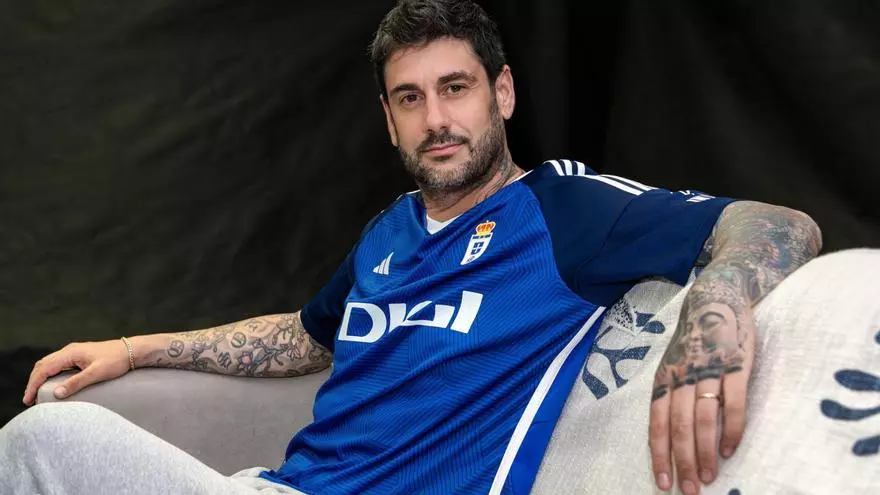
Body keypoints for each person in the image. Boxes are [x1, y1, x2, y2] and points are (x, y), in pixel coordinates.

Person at [2, 1, 822, 494]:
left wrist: (716, 311)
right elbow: (306, 336)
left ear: (501, 94)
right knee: (56, 428)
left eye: (455, 89)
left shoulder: (562, 209)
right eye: (410, 98)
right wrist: (131, 348)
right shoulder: (389, 232)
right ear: (389, 120)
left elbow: (779, 224)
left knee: (38, 443)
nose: (436, 119)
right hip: (278, 484)